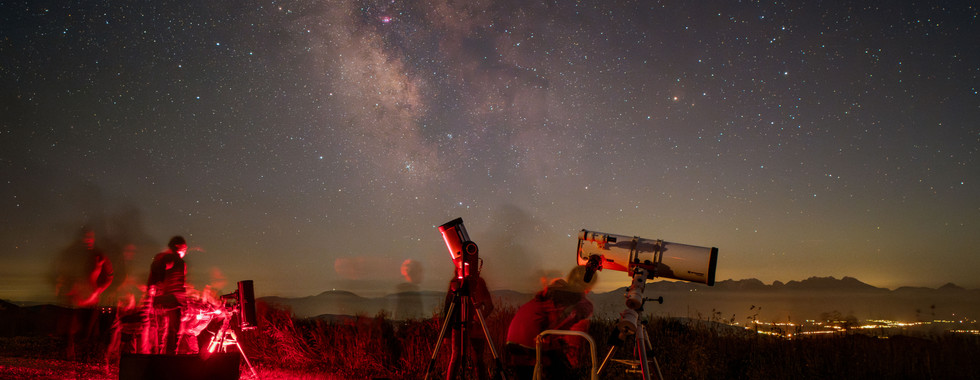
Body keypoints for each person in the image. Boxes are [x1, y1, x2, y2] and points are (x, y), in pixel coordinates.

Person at [505, 265, 596, 380]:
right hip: (530, 342)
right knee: (561, 370)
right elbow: (557, 326)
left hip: (513, 340)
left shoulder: (545, 296)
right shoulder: (570, 300)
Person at [443, 267, 494, 380]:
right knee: (459, 358)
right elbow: (448, 308)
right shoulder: (457, 283)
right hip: (460, 325)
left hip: (472, 327)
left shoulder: (477, 283)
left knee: (475, 359)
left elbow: (489, 305)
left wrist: (478, 318)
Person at [146, 236, 188, 354]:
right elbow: (159, 268)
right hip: (172, 300)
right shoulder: (174, 259)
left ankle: (163, 357)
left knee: (167, 332)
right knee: (172, 332)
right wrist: (156, 283)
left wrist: (153, 285)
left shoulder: (173, 260)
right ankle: (168, 358)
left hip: (169, 300)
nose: (186, 250)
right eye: (184, 247)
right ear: (178, 247)